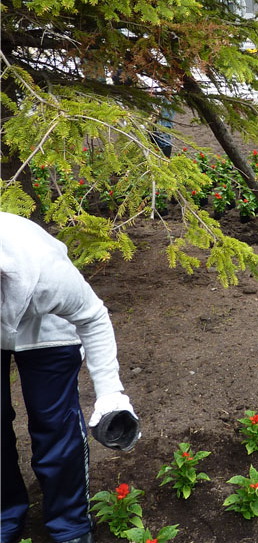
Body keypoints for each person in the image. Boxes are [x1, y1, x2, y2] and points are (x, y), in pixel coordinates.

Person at [1, 212, 138, 543]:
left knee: (54, 420)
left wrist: (110, 394)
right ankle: (4, 514)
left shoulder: (46, 276)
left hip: (44, 319)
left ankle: (70, 525)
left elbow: (93, 317)